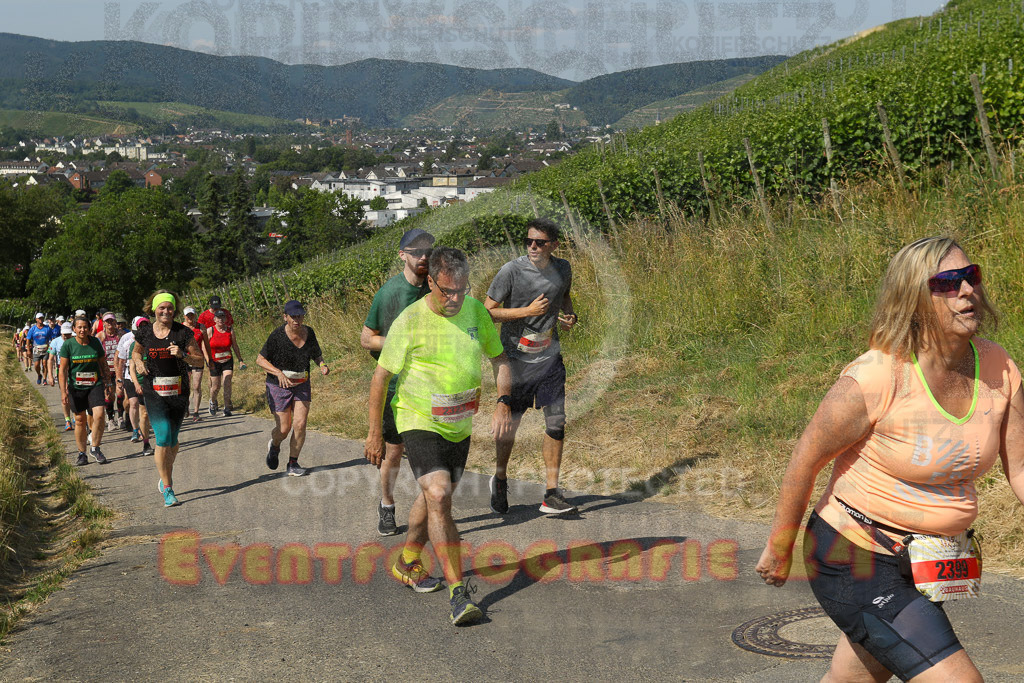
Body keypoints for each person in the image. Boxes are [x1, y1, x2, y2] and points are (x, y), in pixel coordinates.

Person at [756, 237, 1024, 682]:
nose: (966, 291)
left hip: (928, 561)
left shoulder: (999, 366)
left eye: (970, 276)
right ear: (915, 301)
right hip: (853, 555)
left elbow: (1020, 466)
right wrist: (781, 545)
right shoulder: (880, 374)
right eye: (946, 283)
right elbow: (806, 459)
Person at [365, 247, 512, 626]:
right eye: (446, 291)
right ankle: (458, 594)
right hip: (416, 418)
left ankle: (407, 560)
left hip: (459, 424)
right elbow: (381, 376)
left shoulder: (476, 312)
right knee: (439, 495)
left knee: (432, 499)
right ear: (430, 282)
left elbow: (499, 359)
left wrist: (503, 401)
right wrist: (373, 434)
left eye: (461, 290)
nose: (454, 298)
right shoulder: (410, 320)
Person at [484, 218, 579, 515]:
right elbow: (486, 313)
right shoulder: (511, 270)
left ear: (554, 245)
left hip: (550, 357)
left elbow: (563, 296)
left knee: (556, 422)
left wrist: (569, 314)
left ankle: (551, 493)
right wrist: (527, 311)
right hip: (516, 360)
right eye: (528, 242)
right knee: (511, 426)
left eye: (539, 242)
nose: (533, 247)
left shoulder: (563, 268)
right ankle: (499, 478)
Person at [360, 227, 434, 536]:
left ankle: (431, 508)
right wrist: (400, 342)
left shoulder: (436, 289)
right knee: (393, 453)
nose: (423, 257)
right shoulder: (390, 293)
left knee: (429, 454)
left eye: (428, 251)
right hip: (394, 389)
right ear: (402, 255)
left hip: (428, 387)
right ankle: (387, 505)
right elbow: (367, 339)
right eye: (416, 252)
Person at [131, 290, 204, 507]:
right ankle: (168, 488)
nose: (166, 311)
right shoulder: (144, 332)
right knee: (162, 438)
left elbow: (199, 362)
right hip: (154, 392)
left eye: (170, 307)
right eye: (161, 307)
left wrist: (183, 355)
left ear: (175, 310)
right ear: (154, 309)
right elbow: (136, 352)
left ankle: (165, 474)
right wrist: (138, 363)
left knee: (173, 441)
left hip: (178, 392)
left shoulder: (183, 333)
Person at [257, 300, 328, 476]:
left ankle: (293, 464)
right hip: (278, 385)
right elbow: (260, 360)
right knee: (284, 428)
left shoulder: (309, 332)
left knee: (300, 423)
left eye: (300, 316)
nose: (297, 320)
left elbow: (316, 354)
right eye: (293, 316)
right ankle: (274, 445)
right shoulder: (277, 336)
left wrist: (322, 365)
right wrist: (278, 373)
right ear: (285, 317)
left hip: (302, 383)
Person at [59, 316, 115, 465]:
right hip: (76, 388)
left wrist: (108, 383)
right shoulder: (68, 345)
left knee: (99, 415)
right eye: (79, 327)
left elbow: (103, 364)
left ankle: (95, 448)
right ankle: (81, 453)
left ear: (90, 329)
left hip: (94, 385)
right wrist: (63, 392)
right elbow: (63, 369)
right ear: (74, 329)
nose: (82, 330)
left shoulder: (95, 342)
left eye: (85, 327)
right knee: (79, 420)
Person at [117, 316, 154, 456]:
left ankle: (164, 440)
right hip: (138, 381)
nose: (143, 329)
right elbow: (131, 368)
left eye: (146, 326)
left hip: (154, 382)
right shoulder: (133, 345)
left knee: (156, 412)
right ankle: (146, 443)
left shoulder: (155, 342)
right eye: (141, 326)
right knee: (142, 411)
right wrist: (136, 383)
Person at [205, 309, 245, 417]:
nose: (220, 320)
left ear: (226, 319)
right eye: (218, 318)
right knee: (216, 386)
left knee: (227, 382)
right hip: (214, 361)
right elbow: (204, 346)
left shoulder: (230, 330)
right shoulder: (210, 331)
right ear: (214, 319)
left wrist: (240, 359)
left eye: (222, 317)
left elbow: (235, 345)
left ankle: (227, 408)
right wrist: (207, 359)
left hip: (227, 360)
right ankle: (212, 401)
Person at [97, 311, 124, 430]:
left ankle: (121, 417)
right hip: (106, 369)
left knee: (120, 393)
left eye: (112, 321)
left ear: (115, 322)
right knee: (109, 395)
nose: (110, 324)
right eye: (107, 321)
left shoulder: (121, 335)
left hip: (119, 368)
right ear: (104, 323)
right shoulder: (100, 336)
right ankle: (111, 419)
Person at [49, 321, 75, 431]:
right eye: (64, 334)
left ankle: (75, 416)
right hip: (62, 370)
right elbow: (50, 359)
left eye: (68, 334)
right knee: (65, 394)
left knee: (75, 394)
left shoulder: (75, 341)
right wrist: (50, 376)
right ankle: (67, 419)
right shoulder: (55, 342)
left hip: (74, 369)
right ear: (61, 333)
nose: (66, 336)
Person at [183, 306, 206, 422]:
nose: (190, 317)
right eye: (188, 315)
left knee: (196, 386)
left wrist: (209, 359)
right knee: (186, 386)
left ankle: (196, 412)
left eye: (192, 315)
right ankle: (186, 406)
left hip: (197, 359)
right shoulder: (181, 328)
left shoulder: (201, 327)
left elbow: (205, 345)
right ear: (184, 317)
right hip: (185, 359)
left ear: (195, 315)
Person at [27, 313, 54, 385]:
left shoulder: (47, 328)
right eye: (39, 318)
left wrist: (53, 347)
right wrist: (28, 350)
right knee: (36, 365)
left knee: (45, 364)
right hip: (36, 349)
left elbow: (52, 338)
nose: (41, 319)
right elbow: (28, 339)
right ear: (36, 319)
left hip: (45, 348)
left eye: (42, 318)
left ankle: (45, 379)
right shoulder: (33, 329)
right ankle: (39, 375)